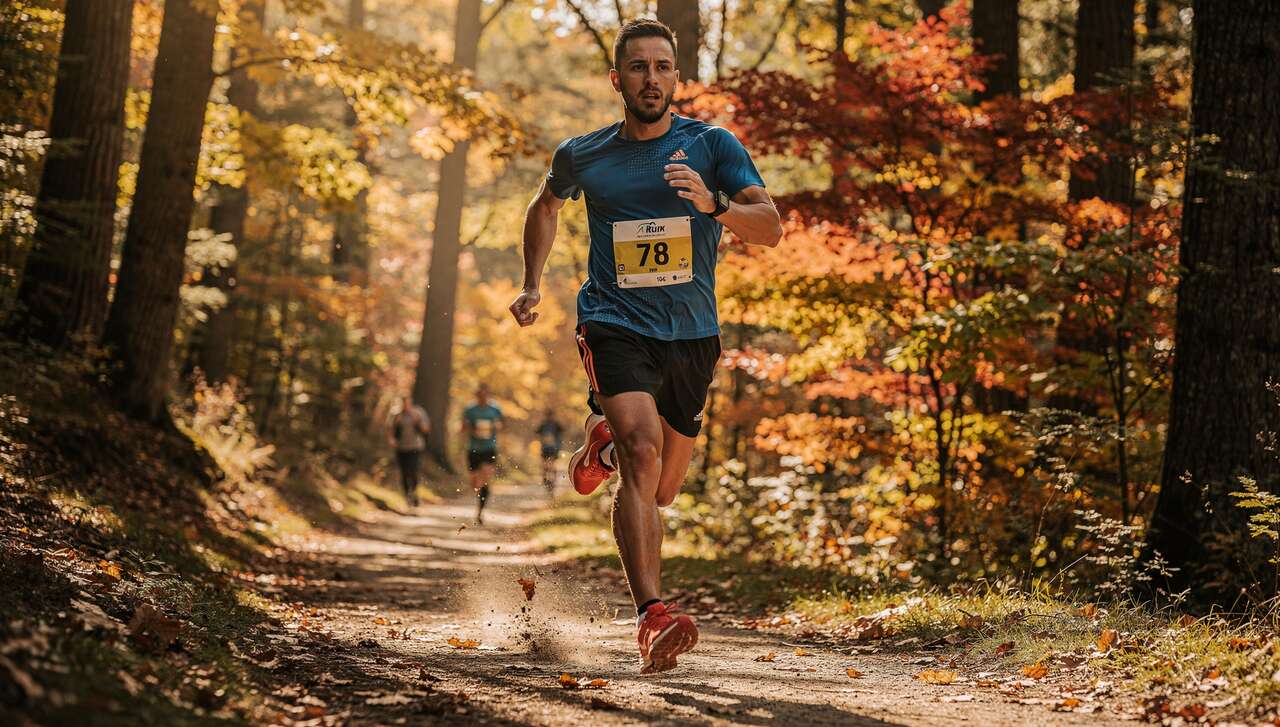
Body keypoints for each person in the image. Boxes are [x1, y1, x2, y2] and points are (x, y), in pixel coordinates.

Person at [508, 18, 782, 674]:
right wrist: (530, 283)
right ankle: (652, 615)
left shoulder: (712, 146)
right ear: (618, 79)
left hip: (692, 335)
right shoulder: (585, 154)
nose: (651, 79)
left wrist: (714, 207)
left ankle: (599, 441)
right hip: (613, 320)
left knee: (658, 491)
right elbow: (545, 207)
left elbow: (769, 227)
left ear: (676, 79)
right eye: (638, 68)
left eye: (663, 67)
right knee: (641, 451)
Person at [462, 384, 503, 525]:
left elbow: (502, 424)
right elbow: (462, 427)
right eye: (480, 396)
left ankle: (480, 511)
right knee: (474, 482)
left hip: (489, 448)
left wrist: (496, 426)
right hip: (473, 448)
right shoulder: (470, 410)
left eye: (485, 395)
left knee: (485, 477)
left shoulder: (495, 409)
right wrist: (469, 427)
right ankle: (480, 497)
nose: (483, 398)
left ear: (488, 395)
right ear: (477, 396)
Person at [387, 395, 430, 507]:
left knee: (414, 471)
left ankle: (415, 494)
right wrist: (391, 440)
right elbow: (390, 429)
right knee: (404, 472)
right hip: (401, 447)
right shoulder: (396, 414)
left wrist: (417, 420)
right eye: (403, 403)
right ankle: (407, 496)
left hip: (415, 447)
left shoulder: (418, 413)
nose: (406, 405)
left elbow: (426, 429)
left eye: (408, 402)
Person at [535, 409, 565, 494]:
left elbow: (563, 430)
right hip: (547, 448)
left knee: (551, 464)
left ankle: (551, 480)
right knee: (546, 465)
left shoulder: (554, 424)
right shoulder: (545, 424)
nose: (549, 417)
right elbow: (536, 431)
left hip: (553, 448)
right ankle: (546, 478)